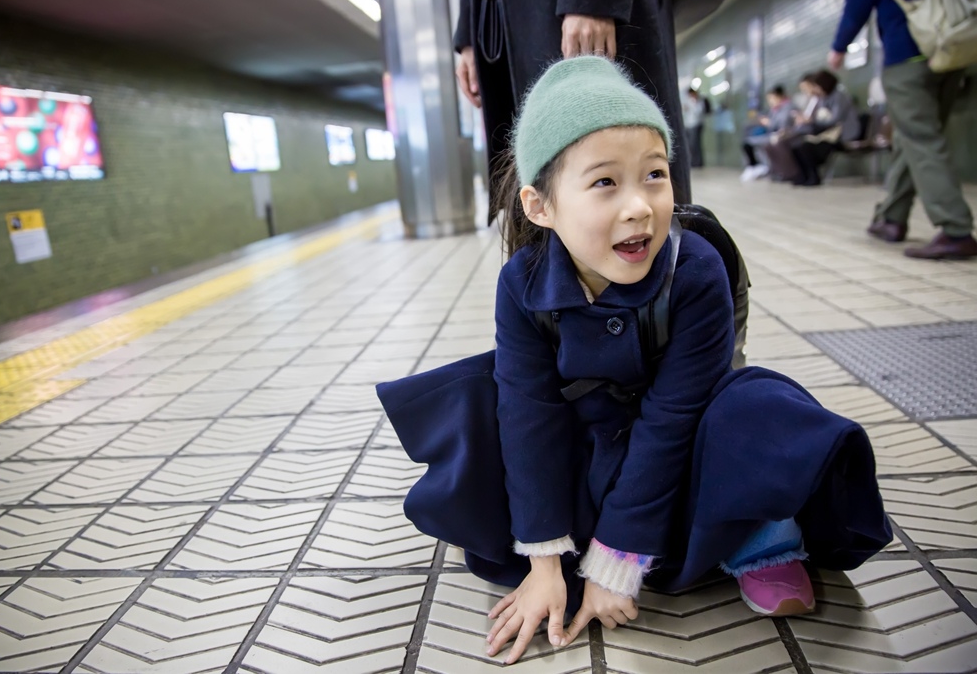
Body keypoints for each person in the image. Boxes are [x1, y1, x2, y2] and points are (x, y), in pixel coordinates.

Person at [381, 56, 892, 666]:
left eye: (655, 174)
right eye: (605, 183)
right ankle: (596, 551)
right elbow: (529, 416)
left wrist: (617, 560)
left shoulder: (695, 267)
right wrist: (544, 560)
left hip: (686, 440)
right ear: (540, 207)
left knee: (757, 409)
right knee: (482, 398)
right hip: (591, 441)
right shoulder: (522, 283)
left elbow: (673, 419)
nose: (640, 206)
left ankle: (761, 538)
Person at [453, 0, 692, 223]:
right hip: (501, 18)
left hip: (587, 10)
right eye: (605, 182)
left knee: (630, 153)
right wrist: (468, 35)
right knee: (547, 190)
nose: (638, 210)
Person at [830, 0, 977, 259]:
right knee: (912, 141)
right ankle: (891, 218)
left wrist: (839, 47)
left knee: (921, 142)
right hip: (949, 50)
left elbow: (858, 3)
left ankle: (956, 231)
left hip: (907, 58)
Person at [787, 69, 861, 186]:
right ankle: (804, 176)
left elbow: (834, 120)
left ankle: (814, 176)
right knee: (797, 146)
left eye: (816, 86)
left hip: (842, 134)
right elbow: (820, 120)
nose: (815, 89)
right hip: (827, 133)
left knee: (807, 147)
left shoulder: (839, 96)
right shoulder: (822, 98)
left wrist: (812, 121)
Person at [741, 85, 795, 181]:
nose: (770, 101)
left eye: (772, 98)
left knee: (761, 144)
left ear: (780, 96)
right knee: (747, 143)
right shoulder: (774, 110)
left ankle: (763, 168)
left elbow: (782, 126)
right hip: (771, 135)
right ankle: (754, 167)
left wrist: (769, 122)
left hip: (782, 136)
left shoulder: (788, 107)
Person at [682, 87, 706, 168]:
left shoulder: (699, 101)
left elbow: (699, 112)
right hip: (688, 125)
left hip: (696, 125)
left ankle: (697, 162)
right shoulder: (688, 100)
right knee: (690, 145)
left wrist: (692, 105)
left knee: (695, 145)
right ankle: (692, 161)